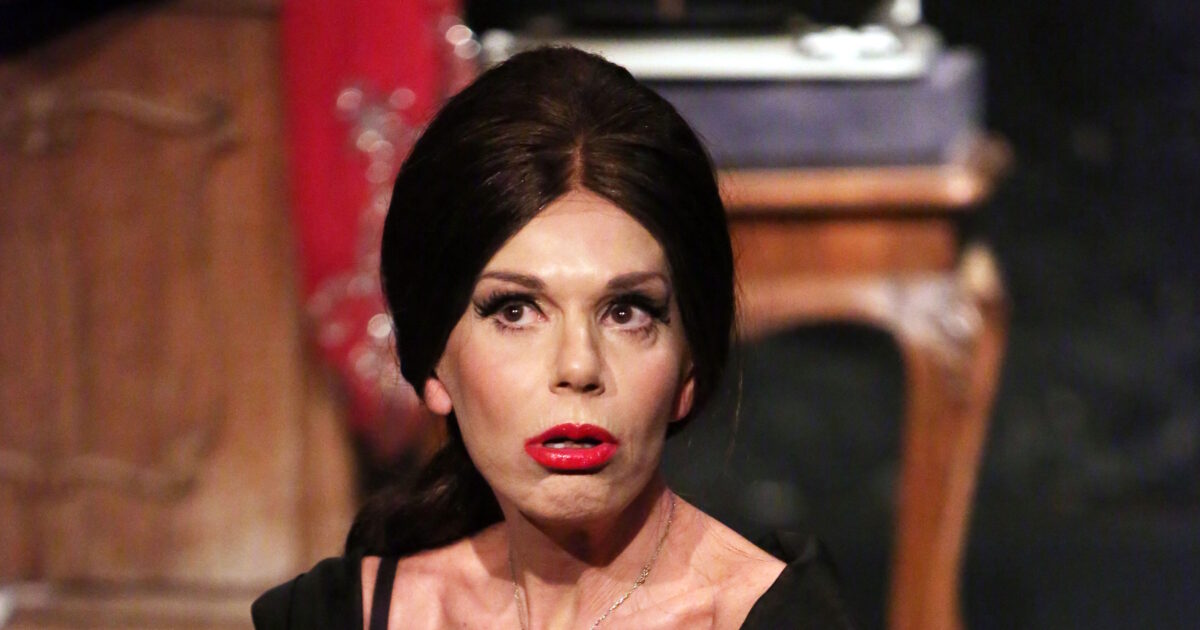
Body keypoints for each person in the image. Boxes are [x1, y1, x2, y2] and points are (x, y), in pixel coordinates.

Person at [253, 46, 854, 629]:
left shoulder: (776, 618)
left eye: (626, 312)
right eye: (515, 311)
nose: (578, 367)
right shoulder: (338, 615)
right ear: (434, 361)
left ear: (689, 368)